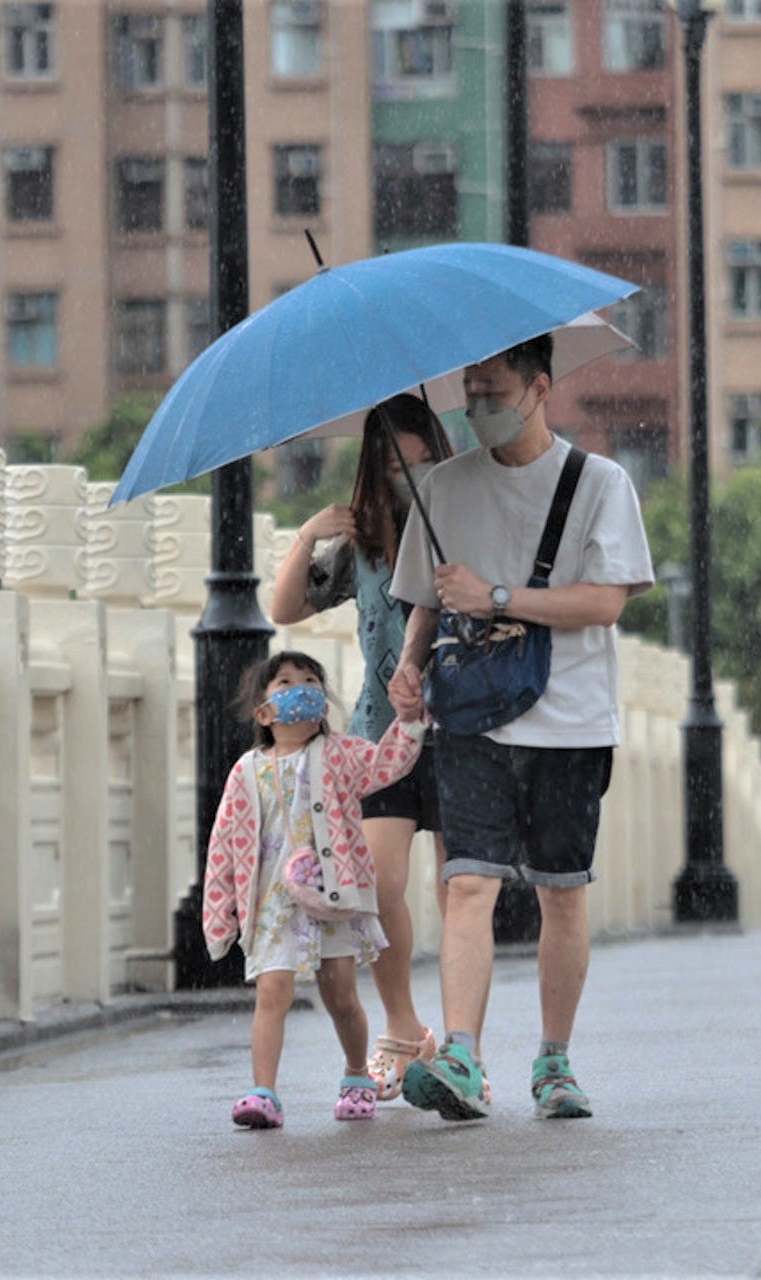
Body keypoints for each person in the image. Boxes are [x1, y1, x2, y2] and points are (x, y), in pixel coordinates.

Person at [390, 332, 653, 1122]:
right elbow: (427, 601)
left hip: (571, 722)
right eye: (471, 393)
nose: (479, 408)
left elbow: (605, 603)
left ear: (540, 387)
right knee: (466, 882)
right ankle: (463, 1055)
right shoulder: (443, 486)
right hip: (472, 718)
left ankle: (554, 1060)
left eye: (495, 393)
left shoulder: (600, 484)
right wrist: (409, 666)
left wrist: (498, 597)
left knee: (560, 896)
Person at [267, 393, 455, 1101]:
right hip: (381, 737)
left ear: (436, 453)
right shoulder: (366, 546)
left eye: (418, 457)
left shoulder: (460, 526)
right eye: (391, 461)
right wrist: (305, 537)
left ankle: (463, 1044)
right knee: (375, 886)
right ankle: (404, 1031)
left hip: (463, 726)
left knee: (460, 885)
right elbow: (284, 608)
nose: (406, 472)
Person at [201, 650, 427, 1128]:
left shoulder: (342, 755)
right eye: (285, 682)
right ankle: (263, 1092)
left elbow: (388, 763)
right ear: (264, 712)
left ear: (323, 705)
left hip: (331, 897)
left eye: (311, 680)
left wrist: (408, 721)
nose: (301, 687)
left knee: (341, 994)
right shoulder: (246, 772)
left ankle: (355, 1074)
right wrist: (220, 913)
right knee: (272, 990)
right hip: (271, 903)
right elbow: (224, 844)